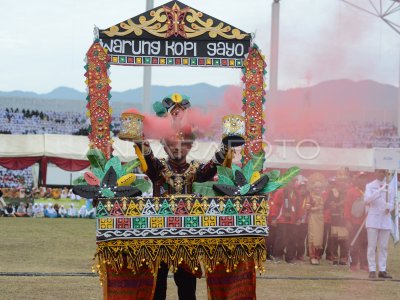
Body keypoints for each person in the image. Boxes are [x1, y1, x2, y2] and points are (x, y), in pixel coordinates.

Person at [120, 94, 229, 300]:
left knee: (187, 292)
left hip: (186, 240)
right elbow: (147, 153)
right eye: (172, 144)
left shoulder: (196, 170)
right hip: (158, 238)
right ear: (165, 147)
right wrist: (138, 136)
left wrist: (228, 144)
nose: (178, 148)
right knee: (157, 290)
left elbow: (214, 164)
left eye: (183, 144)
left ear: (190, 147)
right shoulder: (158, 169)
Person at [364, 169, 394, 279]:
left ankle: (382, 270)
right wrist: (380, 190)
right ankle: (372, 269)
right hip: (373, 219)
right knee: (372, 246)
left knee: (384, 247)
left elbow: (392, 203)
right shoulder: (370, 186)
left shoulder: (390, 187)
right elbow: (367, 200)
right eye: (379, 171)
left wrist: (389, 208)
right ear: (376, 173)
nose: (381, 174)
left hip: (385, 220)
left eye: (383, 172)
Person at [344, 172, 368, 272]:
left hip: (367, 223)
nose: (362, 180)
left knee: (365, 243)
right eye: (360, 178)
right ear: (357, 180)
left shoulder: (369, 191)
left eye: (364, 178)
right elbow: (347, 206)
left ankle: (364, 264)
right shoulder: (351, 191)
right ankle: (353, 264)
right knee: (354, 243)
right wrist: (347, 221)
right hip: (354, 222)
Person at [270, 180, 298, 264]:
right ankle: (278, 256)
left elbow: (298, 206)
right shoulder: (280, 192)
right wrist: (274, 217)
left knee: (292, 239)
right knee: (281, 238)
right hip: (282, 219)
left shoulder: (296, 193)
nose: (291, 183)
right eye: (290, 181)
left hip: (293, 220)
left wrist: (299, 218)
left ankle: (290, 257)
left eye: (293, 181)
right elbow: (275, 205)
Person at [325, 178, 349, 265]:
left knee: (344, 240)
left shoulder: (349, 191)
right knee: (334, 239)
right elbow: (327, 204)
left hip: (345, 218)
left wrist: (339, 204)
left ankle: (343, 258)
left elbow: (349, 203)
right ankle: (334, 257)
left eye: (344, 180)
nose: (342, 183)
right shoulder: (333, 191)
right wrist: (332, 205)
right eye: (341, 181)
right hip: (335, 218)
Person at [306, 173, 327, 265]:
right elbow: (307, 207)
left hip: (320, 219)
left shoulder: (322, 197)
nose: (317, 189)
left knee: (319, 238)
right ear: (312, 188)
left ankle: (317, 256)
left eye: (319, 187)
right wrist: (316, 208)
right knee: (313, 237)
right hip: (313, 218)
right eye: (316, 187)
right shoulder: (310, 196)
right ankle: (312, 256)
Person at [294, 180, 309, 261]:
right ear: (298, 189)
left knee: (302, 239)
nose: (303, 190)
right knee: (295, 238)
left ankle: (300, 254)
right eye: (301, 188)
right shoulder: (295, 197)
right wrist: (297, 219)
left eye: (304, 188)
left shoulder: (308, 198)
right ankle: (293, 253)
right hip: (296, 222)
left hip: (305, 222)